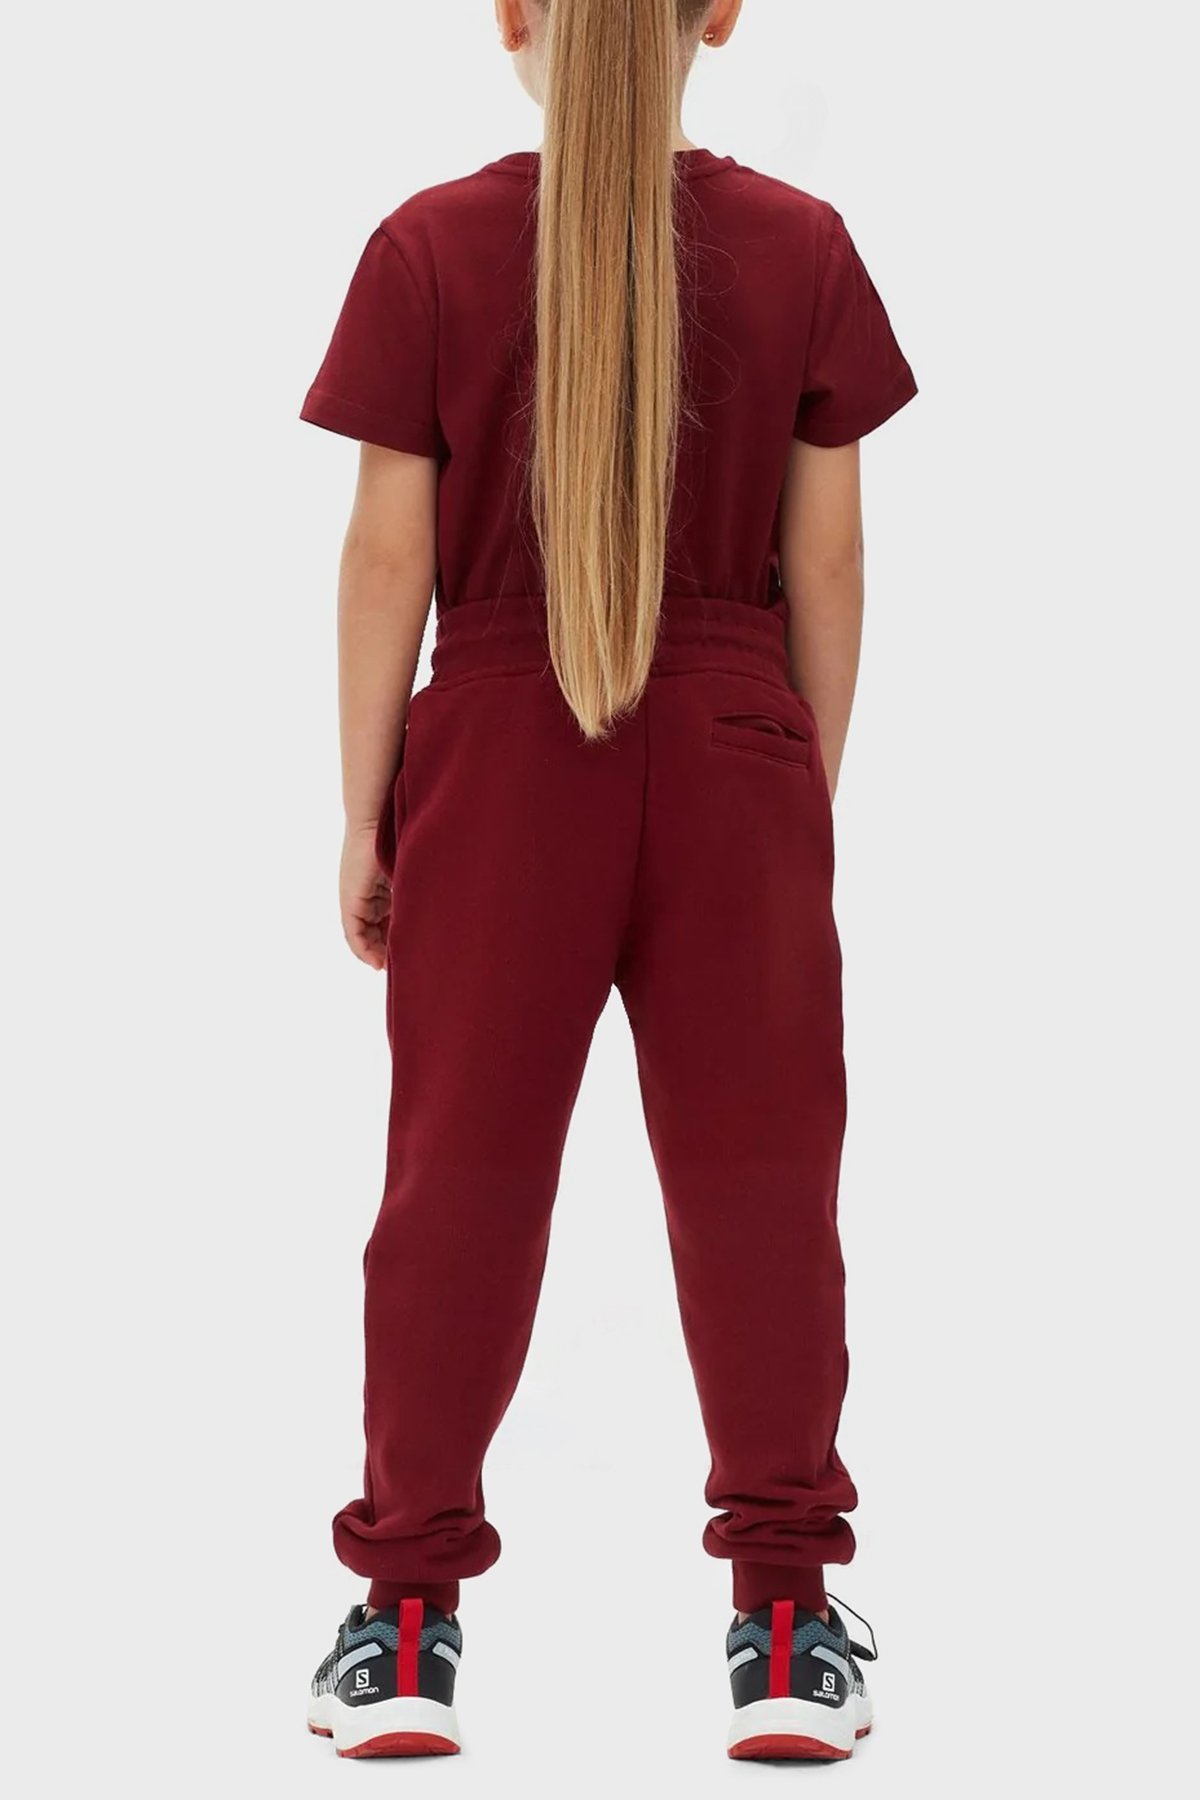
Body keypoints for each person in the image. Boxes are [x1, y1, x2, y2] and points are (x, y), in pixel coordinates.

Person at [299, 0, 916, 1765]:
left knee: (459, 1182)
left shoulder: (428, 249)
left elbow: (387, 557)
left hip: (499, 749)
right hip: (737, 738)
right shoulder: (803, 247)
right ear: (722, 14)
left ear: (510, 13)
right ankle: (786, 1623)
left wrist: (365, 809)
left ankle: (402, 1623)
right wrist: (792, 784)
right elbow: (829, 561)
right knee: (762, 1185)